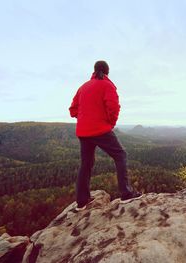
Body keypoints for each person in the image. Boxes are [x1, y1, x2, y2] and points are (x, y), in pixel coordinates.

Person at [69, 60, 142, 211]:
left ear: (94, 71)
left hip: (83, 131)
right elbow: (113, 107)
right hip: (100, 129)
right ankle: (126, 193)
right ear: (107, 71)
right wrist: (110, 123)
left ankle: (82, 201)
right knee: (120, 155)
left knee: (86, 164)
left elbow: (72, 109)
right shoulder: (107, 85)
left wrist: (83, 117)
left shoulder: (83, 87)